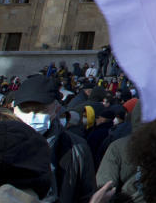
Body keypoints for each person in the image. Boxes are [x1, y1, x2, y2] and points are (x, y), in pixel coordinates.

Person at [12, 74, 96, 203]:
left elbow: (85, 194)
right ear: (14, 109)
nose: (32, 116)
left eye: (41, 110)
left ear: (56, 109)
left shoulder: (76, 148)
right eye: (26, 110)